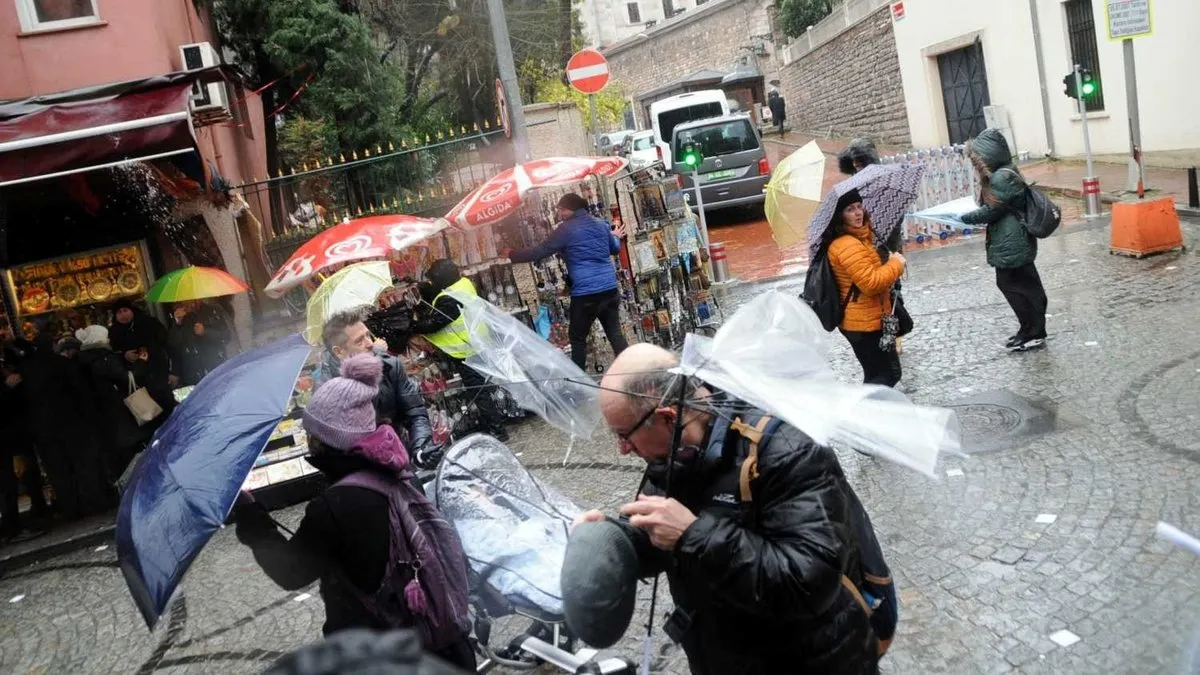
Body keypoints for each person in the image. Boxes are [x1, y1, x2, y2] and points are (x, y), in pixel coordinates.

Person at [578, 343, 883, 674]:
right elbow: (662, 537)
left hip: (812, 661)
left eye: (624, 435)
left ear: (667, 417)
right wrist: (613, 538)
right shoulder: (670, 455)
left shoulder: (787, 449)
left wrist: (692, 534)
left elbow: (809, 582)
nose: (622, 450)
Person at [235, 355, 475, 670]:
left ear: (329, 439)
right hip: (439, 646)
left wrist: (253, 519)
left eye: (313, 432)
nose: (309, 439)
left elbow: (291, 572)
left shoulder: (335, 504)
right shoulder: (398, 473)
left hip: (381, 655)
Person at [501, 193, 628, 370]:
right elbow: (614, 248)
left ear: (571, 209)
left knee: (577, 339)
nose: (559, 212)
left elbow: (540, 251)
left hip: (586, 294)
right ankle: (633, 372)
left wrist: (512, 254)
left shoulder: (565, 229)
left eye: (561, 209)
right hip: (609, 289)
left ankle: (579, 383)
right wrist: (614, 236)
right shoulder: (600, 224)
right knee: (615, 334)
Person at [960, 128, 1047, 352]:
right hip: (1012, 240)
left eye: (977, 159)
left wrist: (962, 218)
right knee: (1025, 285)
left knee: (1017, 285)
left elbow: (991, 210)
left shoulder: (1003, 176)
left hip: (1012, 243)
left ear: (987, 156)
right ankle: (1028, 329)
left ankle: (1034, 331)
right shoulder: (1003, 173)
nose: (975, 165)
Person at [15, 322, 110, 520]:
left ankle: (70, 507)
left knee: (59, 470)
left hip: (44, 430)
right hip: (72, 423)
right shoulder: (63, 365)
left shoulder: (26, 372)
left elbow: (23, 403)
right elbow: (81, 394)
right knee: (82, 464)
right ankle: (92, 502)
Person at [410, 259, 508, 442]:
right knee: (481, 389)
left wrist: (412, 325)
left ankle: (497, 430)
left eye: (433, 280)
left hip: (465, 351)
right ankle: (495, 425)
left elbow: (435, 323)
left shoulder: (448, 298)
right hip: (476, 344)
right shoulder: (463, 285)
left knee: (478, 391)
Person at [317, 308, 433, 462]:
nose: (370, 344)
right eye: (359, 341)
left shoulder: (390, 366)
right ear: (339, 352)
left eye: (368, 335)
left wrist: (421, 449)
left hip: (399, 459)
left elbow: (415, 413)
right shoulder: (327, 389)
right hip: (361, 472)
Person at [826, 189, 906, 387]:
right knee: (889, 374)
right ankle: (862, 411)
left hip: (866, 318)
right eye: (850, 209)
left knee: (876, 374)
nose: (858, 212)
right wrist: (896, 264)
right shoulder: (847, 245)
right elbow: (870, 284)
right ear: (839, 216)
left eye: (859, 206)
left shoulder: (861, 238)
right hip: (863, 323)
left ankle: (872, 413)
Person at [76, 325, 151, 485]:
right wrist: (141, 364)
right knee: (130, 454)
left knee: (116, 456)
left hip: (101, 416)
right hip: (118, 413)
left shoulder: (85, 360)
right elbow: (124, 378)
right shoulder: (105, 358)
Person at [0, 323, 48, 543]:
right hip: (5, 430)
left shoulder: (8, 353)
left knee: (25, 470)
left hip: (15, 427)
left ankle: (36, 510)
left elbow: (28, 356)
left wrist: (15, 341)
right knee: (7, 481)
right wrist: (7, 388)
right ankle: (12, 528)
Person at [108, 299, 177, 416]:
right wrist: (124, 355)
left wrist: (174, 371)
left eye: (125, 310)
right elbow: (114, 355)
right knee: (150, 415)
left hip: (159, 373)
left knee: (169, 409)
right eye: (119, 312)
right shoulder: (114, 332)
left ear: (131, 310)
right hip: (139, 382)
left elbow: (169, 346)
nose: (123, 315)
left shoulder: (149, 323)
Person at [167, 301, 230, 386]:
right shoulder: (183, 318)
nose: (186, 305)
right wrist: (178, 324)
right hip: (194, 373)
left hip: (215, 366)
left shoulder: (213, 310)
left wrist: (205, 332)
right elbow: (174, 347)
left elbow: (226, 336)